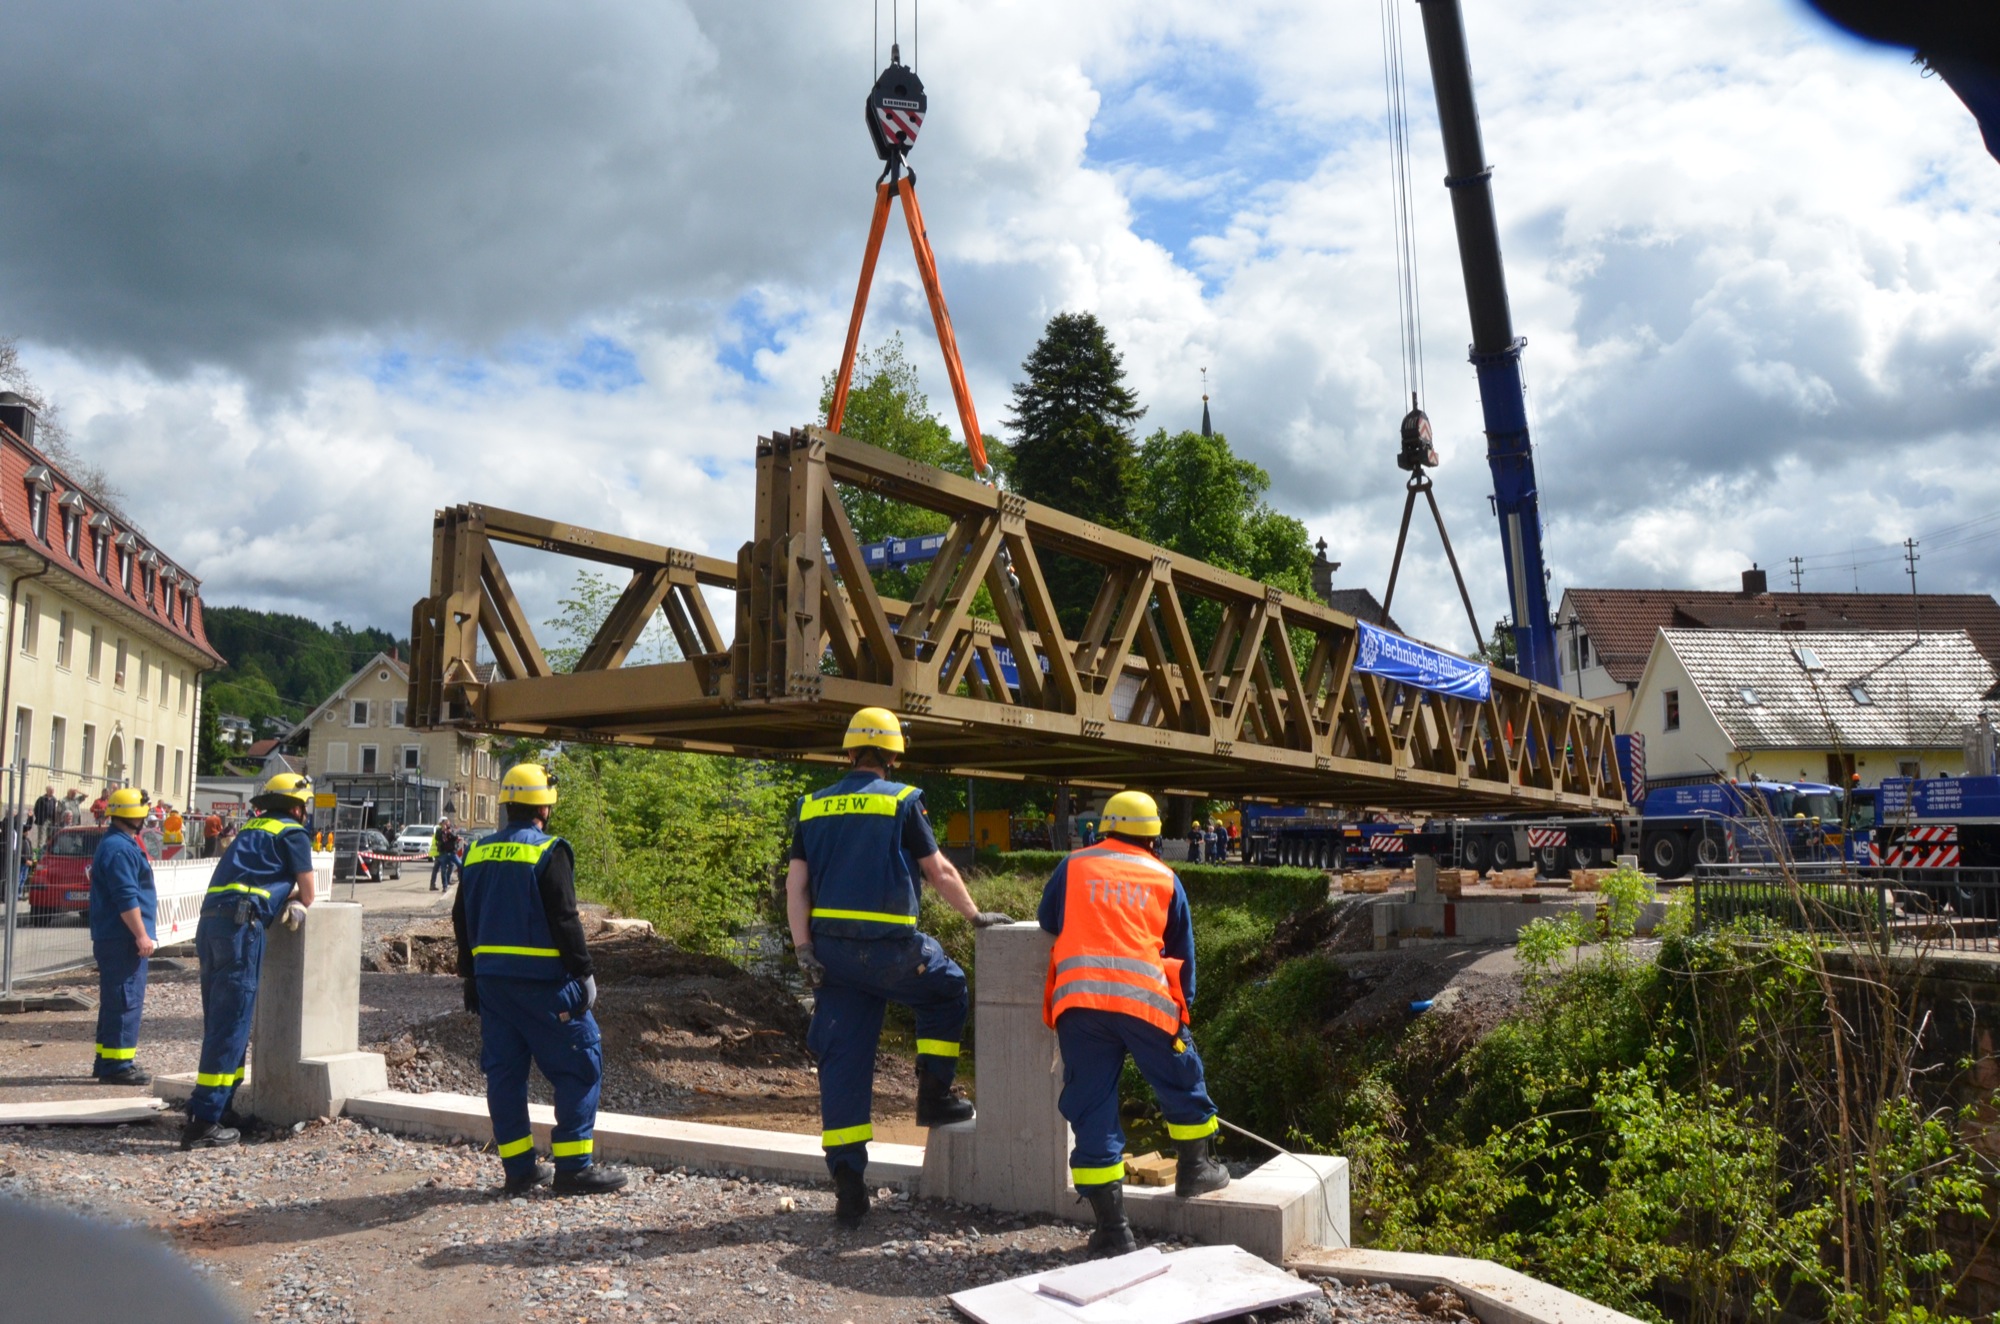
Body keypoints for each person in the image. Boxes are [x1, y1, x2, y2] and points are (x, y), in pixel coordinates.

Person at [786, 708, 1010, 1225]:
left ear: (849, 753)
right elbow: (939, 870)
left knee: (842, 1062)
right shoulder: (903, 801)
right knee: (947, 990)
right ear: (892, 756)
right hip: (893, 953)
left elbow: (796, 887)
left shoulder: (812, 806)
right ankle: (933, 1097)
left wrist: (803, 950)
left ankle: (848, 1186)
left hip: (833, 958)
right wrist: (975, 916)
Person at [1038, 789, 1230, 1257]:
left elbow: (1048, 919)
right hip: (1147, 1004)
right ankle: (1195, 1171)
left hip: (1081, 1005)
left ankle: (1113, 1230)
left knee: (1092, 1107)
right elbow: (1182, 956)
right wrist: (1182, 1018)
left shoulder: (1074, 865)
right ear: (1153, 838)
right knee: (1181, 1079)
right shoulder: (1165, 877)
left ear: (1104, 828)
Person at [454, 764, 626, 1197]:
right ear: (544, 807)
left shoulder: (476, 852)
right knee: (580, 1065)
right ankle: (573, 1168)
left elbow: (462, 919)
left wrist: (470, 975)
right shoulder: (549, 851)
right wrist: (584, 971)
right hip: (545, 985)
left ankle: (519, 1171)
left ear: (507, 804)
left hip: (493, 985)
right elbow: (564, 918)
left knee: (505, 1074)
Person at [183, 773, 318, 1149]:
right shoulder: (292, 833)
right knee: (231, 1026)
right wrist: (292, 900)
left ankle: (221, 1108)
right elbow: (309, 893)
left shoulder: (251, 828)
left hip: (211, 925)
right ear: (296, 807)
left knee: (223, 1022)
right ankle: (203, 1121)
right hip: (242, 929)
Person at [87, 788, 158, 1086]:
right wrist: (141, 935)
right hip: (123, 939)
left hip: (113, 936)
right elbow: (126, 897)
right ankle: (118, 1066)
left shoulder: (116, 844)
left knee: (115, 1000)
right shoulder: (121, 849)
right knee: (125, 1000)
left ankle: (106, 1060)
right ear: (135, 816)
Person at [429, 818, 458, 891]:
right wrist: (443, 830)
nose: (446, 825)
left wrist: (449, 832)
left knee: (451, 865)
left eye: (447, 823)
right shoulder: (439, 830)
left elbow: (454, 838)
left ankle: (446, 881)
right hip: (440, 853)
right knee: (440, 869)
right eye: (444, 823)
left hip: (448, 852)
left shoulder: (450, 830)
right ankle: (441, 885)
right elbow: (438, 838)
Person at [33, 785, 60, 850]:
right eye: (51, 791)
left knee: (50, 836)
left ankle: (47, 850)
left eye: (53, 791)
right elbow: (36, 809)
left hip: (51, 820)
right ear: (47, 791)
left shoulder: (54, 799)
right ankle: (39, 851)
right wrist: (39, 817)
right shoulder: (41, 799)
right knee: (41, 837)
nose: (52, 792)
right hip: (43, 820)